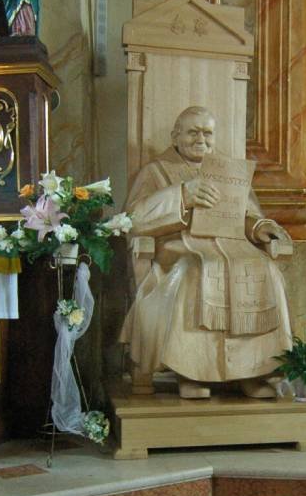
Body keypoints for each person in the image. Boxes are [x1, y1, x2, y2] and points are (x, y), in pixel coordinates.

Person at [120, 106, 293, 399]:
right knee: (195, 270)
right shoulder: (156, 170)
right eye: (192, 132)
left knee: (267, 269)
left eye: (208, 133)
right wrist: (182, 195)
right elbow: (133, 219)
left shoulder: (227, 171)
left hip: (230, 246)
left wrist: (259, 227)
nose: (201, 139)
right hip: (179, 246)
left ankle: (251, 370)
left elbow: (247, 213)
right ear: (175, 137)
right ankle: (190, 371)